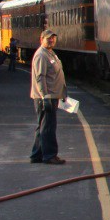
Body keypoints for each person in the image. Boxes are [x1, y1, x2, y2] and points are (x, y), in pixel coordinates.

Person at [29, 30, 67, 165]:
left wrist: (62, 92)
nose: (51, 41)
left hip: (51, 95)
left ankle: (37, 155)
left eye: (53, 38)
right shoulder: (41, 55)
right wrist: (45, 96)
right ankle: (50, 155)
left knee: (43, 126)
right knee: (48, 127)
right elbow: (40, 77)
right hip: (46, 96)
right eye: (48, 39)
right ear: (41, 39)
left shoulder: (50, 53)